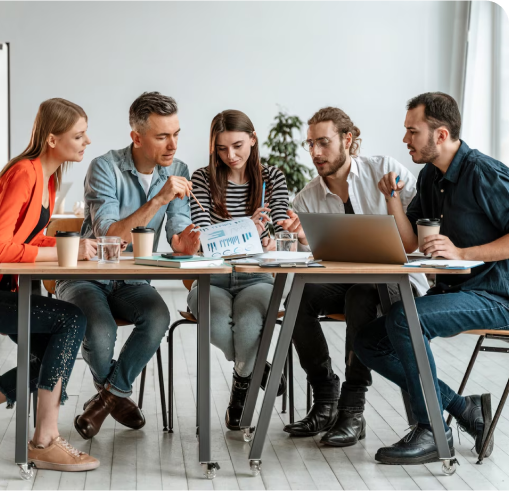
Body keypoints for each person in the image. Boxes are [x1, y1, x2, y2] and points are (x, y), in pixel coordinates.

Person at [354, 92, 501, 464]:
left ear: (440, 134)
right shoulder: (430, 175)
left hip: (497, 295)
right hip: (458, 292)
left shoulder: (483, 172)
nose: (405, 140)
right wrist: (391, 198)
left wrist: (464, 254)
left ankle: (433, 431)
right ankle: (465, 410)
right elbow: (409, 242)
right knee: (368, 342)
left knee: (406, 318)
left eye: (412, 131)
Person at [276, 107, 429, 447]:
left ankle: (352, 408)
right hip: (346, 281)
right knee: (298, 298)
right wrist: (302, 241)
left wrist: (394, 204)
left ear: (347, 139)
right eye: (310, 143)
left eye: (324, 143)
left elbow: (423, 223)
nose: (315, 153)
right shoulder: (307, 197)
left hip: (394, 284)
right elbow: (307, 260)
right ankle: (325, 395)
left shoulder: (386, 170)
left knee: (360, 296)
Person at [56, 92, 201, 439]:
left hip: (134, 280)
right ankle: (119, 398)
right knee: (100, 329)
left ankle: (107, 398)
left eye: (176, 133)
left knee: (158, 316)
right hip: (89, 277)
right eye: (162, 136)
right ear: (137, 137)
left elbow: (178, 232)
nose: (173, 144)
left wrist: (187, 242)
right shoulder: (105, 167)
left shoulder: (178, 170)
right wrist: (160, 197)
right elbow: (110, 237)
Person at [0, 98, 99, 471]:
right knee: (70, 320)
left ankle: (47, 438)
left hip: (11, 290)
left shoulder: (49, 178)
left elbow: (28, 237)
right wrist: (63, 252)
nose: (87, 140)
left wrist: (73, 245)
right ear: (53, 139)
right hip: (2, 293)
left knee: (48, 356)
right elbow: (0, 245)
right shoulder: (25, 173)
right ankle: (44, 440)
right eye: (79, 134)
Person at [188, 110, 289, 430]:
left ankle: (239, 396)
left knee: (248, 327)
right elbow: (204, 238)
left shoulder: (272, 178)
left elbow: (275, 235)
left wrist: (255, 236)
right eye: (221, 148)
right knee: (216, 326)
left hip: (256, 277)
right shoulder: (202, 178)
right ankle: (259, 369)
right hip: (211, 278)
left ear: (253, 139)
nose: (230, 155)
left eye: (238, 145)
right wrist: (249, 230)